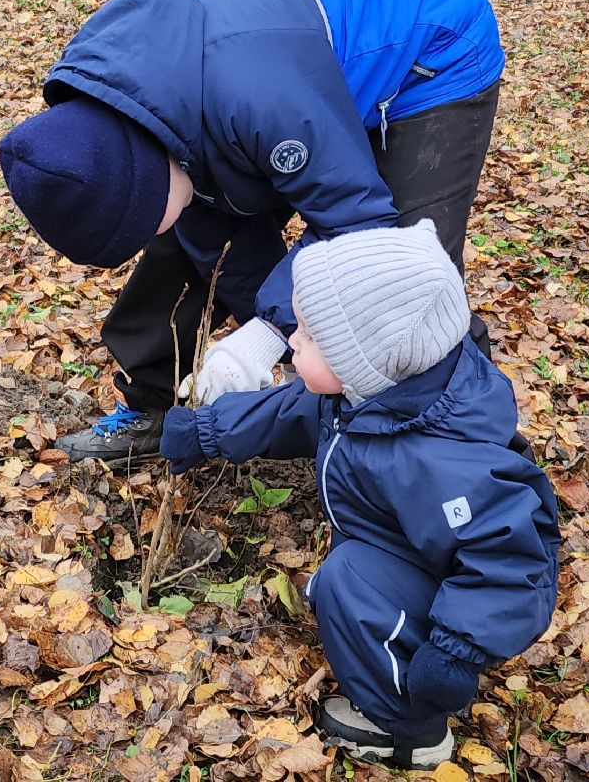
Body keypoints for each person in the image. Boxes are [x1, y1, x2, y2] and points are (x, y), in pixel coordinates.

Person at [0, 0, 505, 464]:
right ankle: (155, 405)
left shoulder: (256, 96)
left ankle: (463, 455)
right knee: (190, 243)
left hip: (430, 46)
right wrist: (269, 334)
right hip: (293, 87)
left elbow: (359, 221)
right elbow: (225, 252)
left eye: (143, 219)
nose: (148, 232)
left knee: (401, 275)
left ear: (151, 166)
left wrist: (267, 332)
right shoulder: (144, 110)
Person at [160, 221, 559, 769]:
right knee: (350, 576)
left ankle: (406, 728)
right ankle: (387, 623)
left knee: (348, 580)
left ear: (365, 358)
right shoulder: (372, 395)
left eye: (309, 335)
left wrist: (456, 651)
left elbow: (513, 559)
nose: (292, 340)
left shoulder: (443, 460)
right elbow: (287, 411)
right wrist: (208, 431)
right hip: (410, 555)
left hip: (451, 594)